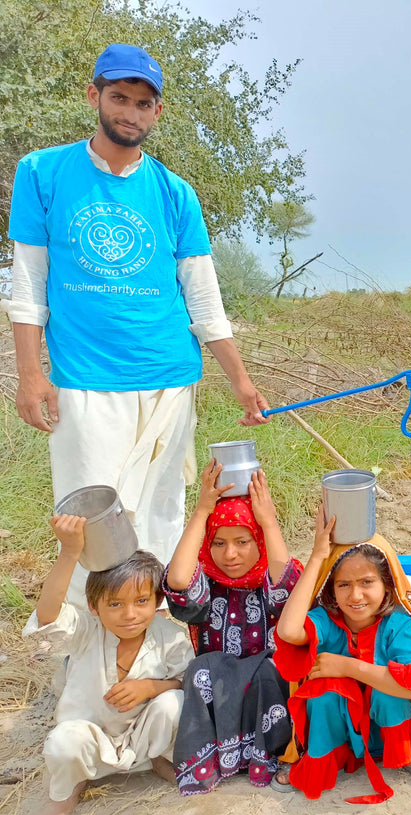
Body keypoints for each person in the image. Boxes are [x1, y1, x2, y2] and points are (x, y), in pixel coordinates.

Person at [2, 43, 269, 608]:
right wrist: (31, 374)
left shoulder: (175, 194)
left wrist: (240, 379)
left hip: (170, 379)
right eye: (119, 97)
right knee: (91, 522)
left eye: (143, 102)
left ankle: (164, 655)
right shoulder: (44, 174)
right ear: (94, 96)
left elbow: (203, 296)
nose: (130, 111)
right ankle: (89, 664)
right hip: (84, 380)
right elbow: (26, 284)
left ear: (158, 113)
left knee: (164, 513)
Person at [273, 507, 411, 803]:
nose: (355, 596)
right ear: (331, 589)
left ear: (388, 584)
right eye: (344, 584)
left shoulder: (398, 624)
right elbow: (289, 631)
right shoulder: (328, 620)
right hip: (346, 734)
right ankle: (325, 758)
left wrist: (347, 666)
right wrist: (318, 557)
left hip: (389, 730)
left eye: (367, 582)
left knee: (390, 691)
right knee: (321, 692)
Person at [23, 517, 193, 815]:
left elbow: (186, 679)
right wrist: (69, 552)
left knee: (174, 703)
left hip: (144, 738)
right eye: (114, 604)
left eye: (141, 601)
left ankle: (159, 759)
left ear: (157, 602)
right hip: (91, 739)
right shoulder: (86, 631)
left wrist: (151, 687)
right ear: (93, 606)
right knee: (63, 742)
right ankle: (69, 788)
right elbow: (47, 617)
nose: (130, 614)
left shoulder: (170, 637)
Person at [162, 462, 301, 794]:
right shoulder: (207, 581)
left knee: (271, 670)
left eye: (242, 541)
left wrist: (268, 521)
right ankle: (218, 761)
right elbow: (179, 580)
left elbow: (286, 585)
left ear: (260, 541)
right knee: (200, 670)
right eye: (219, 543)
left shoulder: (270, 576)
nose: (231, 554)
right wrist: (201, 512)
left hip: (265, 679)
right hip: (219, 680)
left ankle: (270, 754)